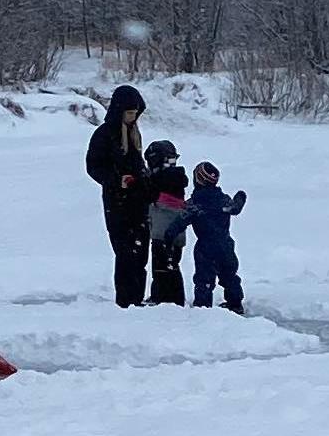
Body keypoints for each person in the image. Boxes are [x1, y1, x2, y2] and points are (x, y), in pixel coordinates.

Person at [84, 85, 151, 306]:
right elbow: (93, 166)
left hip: (139, 200)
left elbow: (138, 163)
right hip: (117, 202)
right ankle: (125, 301)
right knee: (125, 253)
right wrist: (116, 180)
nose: (132, 118)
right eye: (129, 113)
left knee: (141, 252)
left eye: (135, 114)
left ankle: (137, 298)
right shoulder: (104, 134)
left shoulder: (134, 134)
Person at [185, 161, 248, 313]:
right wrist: (240, 197)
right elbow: (235, 208)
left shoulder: (194, 204)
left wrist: (169, 235)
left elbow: (181, 220)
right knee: (229, 275)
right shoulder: (222, 199)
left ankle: (203, 306)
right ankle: (235, 303)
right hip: (225, 243)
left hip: (205, 246)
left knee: (204, 278)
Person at [142, 139, 191, 305]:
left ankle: (162, 297)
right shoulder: (176, 177)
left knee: (161, 266)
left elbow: (148, 193)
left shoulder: (160, 179)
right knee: (171, 265)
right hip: (175, 233)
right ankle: (173, 297)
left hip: (162, 233)